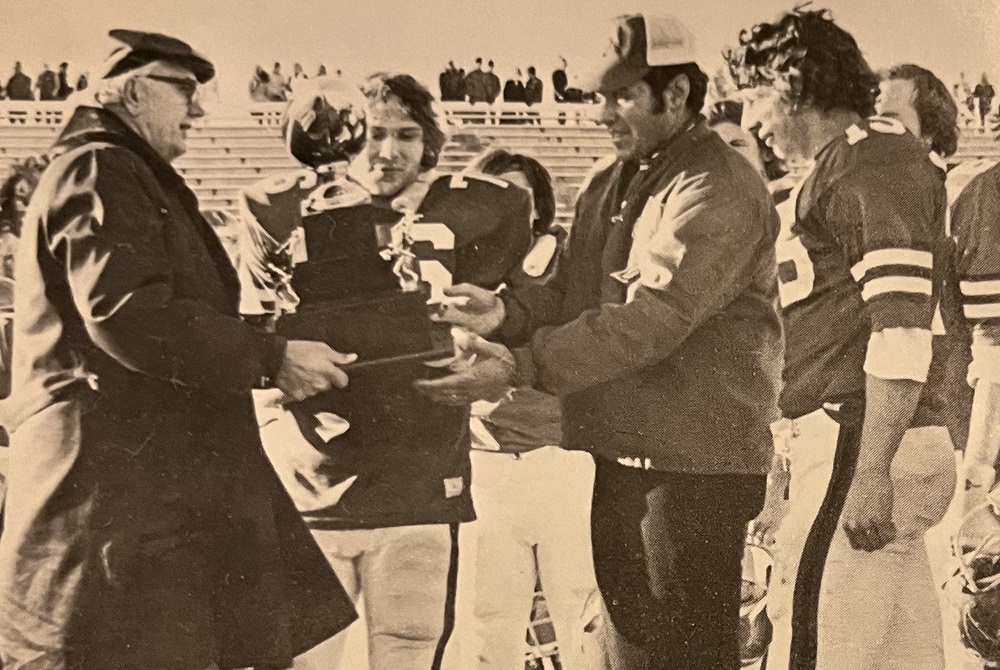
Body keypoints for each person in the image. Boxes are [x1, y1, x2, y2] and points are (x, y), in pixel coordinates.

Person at [419, 12, 783, 669]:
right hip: (621, 455)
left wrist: (518, 365)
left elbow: (655, 317)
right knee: (626, 654)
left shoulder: (719, 183)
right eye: (598, 95)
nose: (601, 113)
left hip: (695, 467)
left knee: (682, 658)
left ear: (675, 95)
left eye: (622, 95)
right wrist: (499, 313)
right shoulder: (610, 179)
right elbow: (568, 292)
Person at [0, 29, 358, 670]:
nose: (200, 110)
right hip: (121, 510)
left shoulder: (113, 166)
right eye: (186, 90)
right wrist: (269, 358)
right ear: (134, 92)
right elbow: (128, 313)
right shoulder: (100, 164)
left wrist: (271, 341)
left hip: (138, 504)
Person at [241, 72, 533, 670]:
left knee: (409, 649)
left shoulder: (476, 207)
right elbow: (252, 331)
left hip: (419, 474)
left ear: (430, 143)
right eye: (373, 133)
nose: (387, 150)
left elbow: (516, 299)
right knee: (305, 661)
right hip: (312, 473)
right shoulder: (284, 207)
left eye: (406, 134)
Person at [729, 9, 956, 670]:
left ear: (794, 85)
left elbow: (901, 325)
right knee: (899, 655)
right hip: (871, 435)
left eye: (756, 95)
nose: (751, 120)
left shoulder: (871, 154)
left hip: (861, 435)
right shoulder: (849, 158)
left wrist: (871, 470)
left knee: (814, 646)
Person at [460, 149, 598, 670]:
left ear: (541, 207)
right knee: (490, 626)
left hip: (563, 458)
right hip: (484, 462)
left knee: (581, 619)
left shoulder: (569, 266)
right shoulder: (460, 266)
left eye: (516, 198)